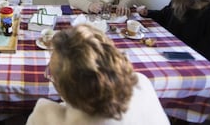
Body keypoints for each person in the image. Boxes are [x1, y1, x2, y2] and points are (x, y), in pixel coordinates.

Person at [26, 24, 169, 125]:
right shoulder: (142, 82)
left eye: (52, 74)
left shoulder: (44, 116)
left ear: (68, 87)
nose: (49, 77)